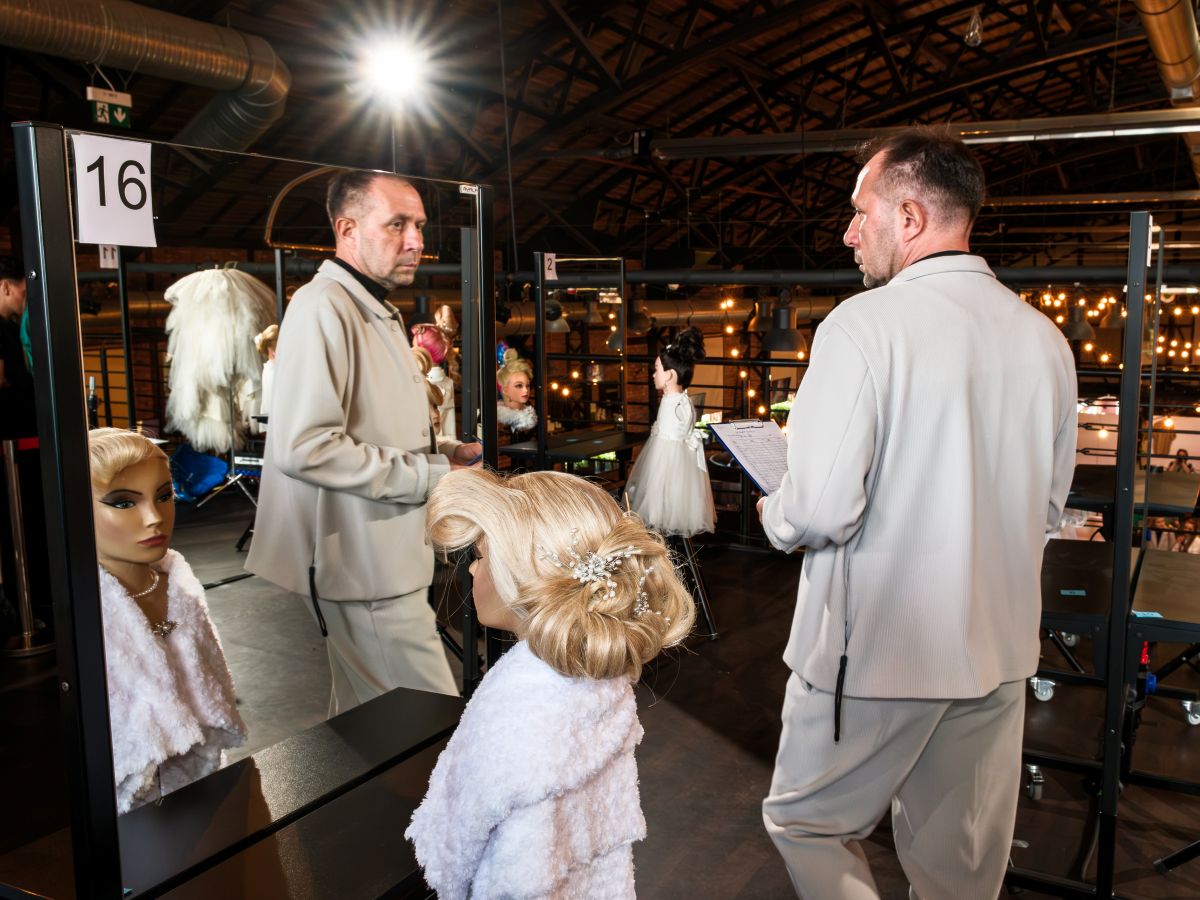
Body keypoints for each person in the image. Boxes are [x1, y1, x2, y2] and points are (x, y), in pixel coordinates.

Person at [757, 129, 1077, 899]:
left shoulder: (861, 325)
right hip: (996, 652)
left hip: (878, 652)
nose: (849, 232)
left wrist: (775, 510)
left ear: (908, 217)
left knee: (808, 824)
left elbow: (820, 509)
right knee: (959, 869)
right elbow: (1047, 507)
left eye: (859, 210)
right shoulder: (1044, 339)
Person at [246, 170, 480, 715]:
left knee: (364, 727)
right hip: (362, 566)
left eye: (418, 225)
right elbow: (305, 445)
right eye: (397, 224)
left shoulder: (371, 305)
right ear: (347, 229)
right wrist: (432, 475)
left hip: (382, 558)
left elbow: (372, 424)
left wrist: (445, 453)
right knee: (429, 726)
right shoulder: (322, 305)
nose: (416, 241)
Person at [406, 468, 695, 899]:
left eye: (482, 556)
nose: (473, 571)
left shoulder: (515, 712)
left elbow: (451, 851)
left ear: (524, 573)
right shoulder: (600, 681)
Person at [89, 428, 246, 813]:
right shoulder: (84, 616)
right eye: (123, 503)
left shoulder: (183, 592)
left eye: (164, 495)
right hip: (121, 817)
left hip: (203, 796)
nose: (154, 518)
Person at [624, 325, 715, 537]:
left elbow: (665, 445)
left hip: (667, 463)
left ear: (670, 375)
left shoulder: (670, 403)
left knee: (657, 507)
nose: (654, 374)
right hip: (685, 464)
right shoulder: (683, 400)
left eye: (657, 369)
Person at [496, 348, 537, 434]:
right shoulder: (496, 420)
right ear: (505, 389)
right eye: (519, 385)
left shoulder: (532, 418)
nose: (526, 390)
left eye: (527, 385)